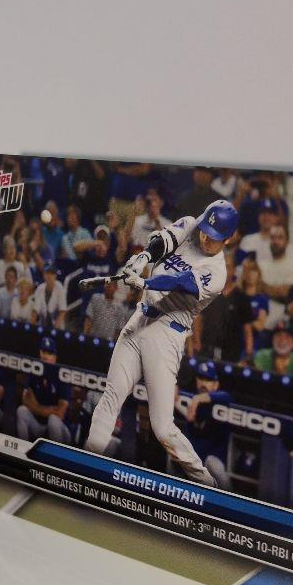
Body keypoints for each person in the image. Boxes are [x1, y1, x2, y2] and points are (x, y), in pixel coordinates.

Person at [84, 200, 235, 485]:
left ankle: (206, 483)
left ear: (228, 239)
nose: (205, 238)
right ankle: (86, 464)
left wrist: (144, 283)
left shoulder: (217, 273)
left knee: (163, 427)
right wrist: (142, 259)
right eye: (205, 231)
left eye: (214, 237)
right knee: (111, 396)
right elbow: (164, 241)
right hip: (140, 317)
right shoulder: (193, 224)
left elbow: (180, 282)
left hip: (166, 334)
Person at [180, 360, 232, 488]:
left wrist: (198, 399)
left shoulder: (221, 401)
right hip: (193, 462)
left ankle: (229, 497)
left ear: (216, 384)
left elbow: (227, 396)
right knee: (175, 454)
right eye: (201, 378)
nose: (203, 383)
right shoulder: (188, 399)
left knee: (212, 463)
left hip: (213, 463)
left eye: (208, 380)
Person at [16, 336, 71, 442]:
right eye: (43, 352)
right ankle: (22, 449)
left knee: (53, 420)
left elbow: (60, 413)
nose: (45, 356)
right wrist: (47, 410)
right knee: (21, 411)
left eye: (49, 353)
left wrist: (36, 407)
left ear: (55, 357)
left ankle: (55, 453)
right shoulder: (34, 372)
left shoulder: (62, 376)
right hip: (39, 426)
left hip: (60, 429)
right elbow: (25, 400)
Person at [256, 224, 293, 325]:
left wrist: (263, 287)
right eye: (272, 237)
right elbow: (253, 288)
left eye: (280, 237)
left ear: (287, 241)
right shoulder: (260, 266)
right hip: (259, 321)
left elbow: (286, 294)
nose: (275, 241)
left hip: (283, 323)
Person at [237, 262, 270, 359]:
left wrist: (245, 318)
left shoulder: (262, 299)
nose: (251, 275)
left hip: (253, 344)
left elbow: (260, 326)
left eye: (254, 272)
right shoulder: (237, 296)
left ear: (259, 276)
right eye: (248, 272)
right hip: (235, 339)